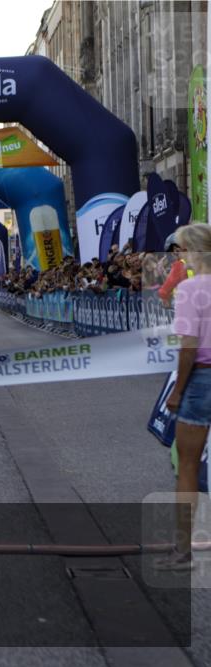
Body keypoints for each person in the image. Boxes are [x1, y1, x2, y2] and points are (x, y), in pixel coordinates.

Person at [160, 224, 211, 570]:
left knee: (188, 466)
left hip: (201, 379)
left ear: (192, 250)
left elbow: (188, 347)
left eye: (179, 250)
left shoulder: (190, 289)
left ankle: (182, 552)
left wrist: (177, 390)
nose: (178, 256)